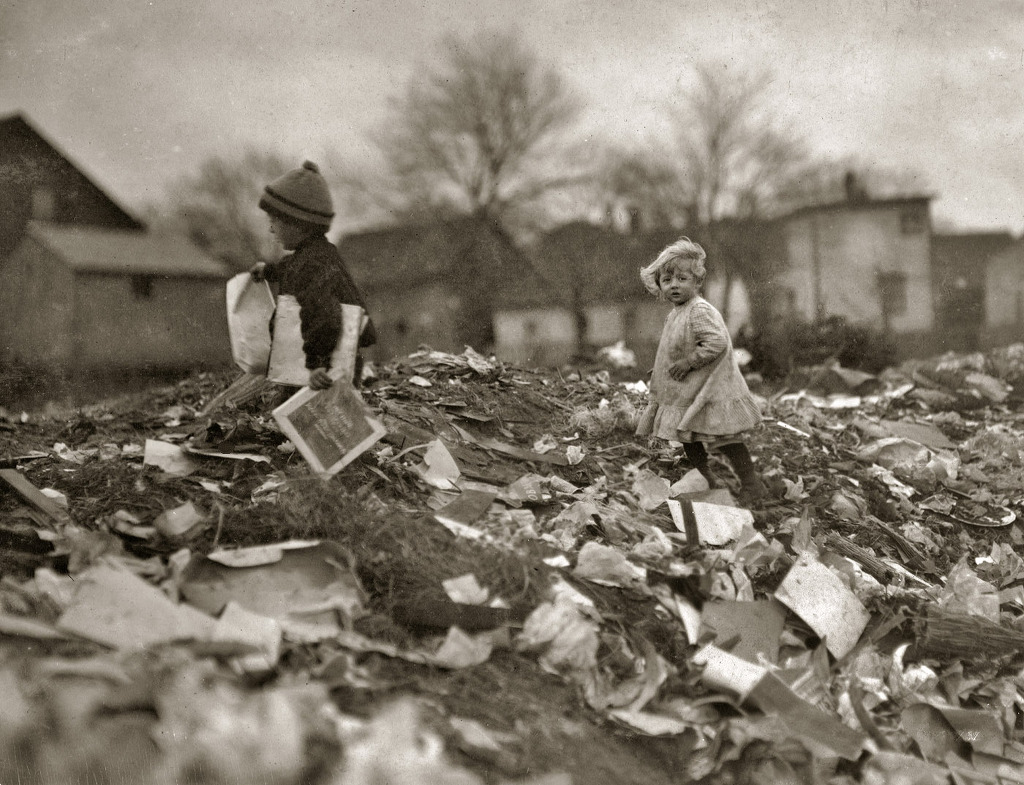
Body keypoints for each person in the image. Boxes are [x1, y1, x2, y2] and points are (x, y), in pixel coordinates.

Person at [635, 237, 766, 502]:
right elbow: (675, 347)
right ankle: (708, 478)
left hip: (711, 390)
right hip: (690, 392)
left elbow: (717, 342)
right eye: (667, 280)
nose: (674, 285)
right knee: (688, 437)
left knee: (726, 438)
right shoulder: (677, 313)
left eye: (682, 279)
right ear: (659, 285)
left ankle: (752, 485)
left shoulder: (699, 310)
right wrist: (661, 370)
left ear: (697, 282)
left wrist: (689, 362)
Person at [250, 160, 375, 389]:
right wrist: (268, 271)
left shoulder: (312, 263)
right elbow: (290, 268)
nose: (270, 229)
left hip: (326, 366)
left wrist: (318, 363)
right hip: (331, 358)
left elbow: (324, 315)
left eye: (274, 220)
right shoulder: (314, 254)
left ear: (298, 225)